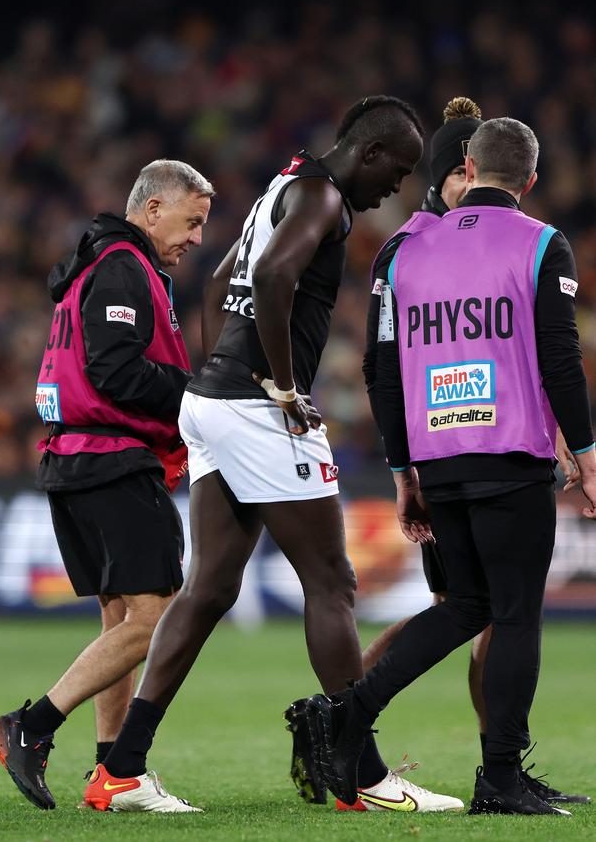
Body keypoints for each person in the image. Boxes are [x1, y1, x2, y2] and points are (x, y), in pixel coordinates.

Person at [81, 96, 460, 814]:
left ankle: (120, 770)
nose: (395, 189)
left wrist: (219, 371)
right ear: (369, 152)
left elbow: (224, 279)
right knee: (331, 580)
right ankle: (362, 774)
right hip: (258, 411)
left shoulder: (286, 183)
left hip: (215, 404)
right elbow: (276, 276)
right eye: (397, 171)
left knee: (209, 588)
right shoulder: (323, 197)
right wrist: (280, 384)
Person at [302, 116, 596, 816]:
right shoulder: (541, 244)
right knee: (517, 614)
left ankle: (345, 713)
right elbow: (560, 358)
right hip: (510, 451)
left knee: (468, 605)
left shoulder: (405, 249)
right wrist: (586, 456)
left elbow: (384, 369)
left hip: (437, 456)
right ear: (528, 180)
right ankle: (499, 778)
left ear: (466, 164)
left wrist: (405, 470)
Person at [0, 159, 214, 813]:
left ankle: (115, 774)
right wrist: (199, 395)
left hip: (77, 458)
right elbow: (115, 369)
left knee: (122, 617)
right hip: (110, 458)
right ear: (152, 209)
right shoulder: (122, 266)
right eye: (191, 220)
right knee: (155, 615)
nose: (197, 236)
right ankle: (31, 725)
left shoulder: (98, 264)